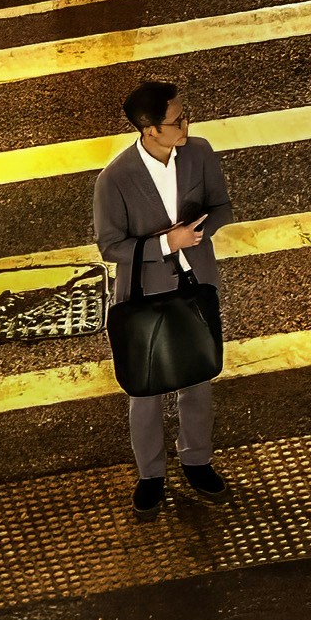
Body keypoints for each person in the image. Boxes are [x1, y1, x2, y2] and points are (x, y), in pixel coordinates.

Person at [93, 79, 233, 520]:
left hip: (197, 285)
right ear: (149, 129)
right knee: (145, 390)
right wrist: (165, 244)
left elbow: (223, 206)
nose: (186, 123)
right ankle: (151, 474)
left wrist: (197, 234)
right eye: (177, 120)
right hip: (143, 296)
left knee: (197, 378)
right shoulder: (114, 179)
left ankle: (196, 460)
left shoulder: (199, 151)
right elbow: (110, 247)